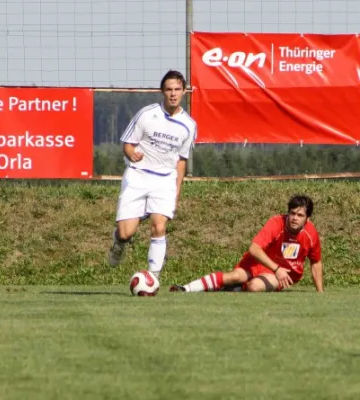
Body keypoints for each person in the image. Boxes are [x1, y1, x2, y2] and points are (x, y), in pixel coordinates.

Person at [107, 70, 196, 281]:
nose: (173, 94)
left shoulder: (189, 125)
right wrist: (131, 153)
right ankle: (118, 242)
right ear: (162, 92)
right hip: (138, 176)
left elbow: (181, 161)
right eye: (168, 90)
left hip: (164, 181)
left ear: (184, 91)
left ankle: (152, 278)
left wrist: (177, 191)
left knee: (159, 225)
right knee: (126, 232)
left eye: (177, 90)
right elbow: (127, 143)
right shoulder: (147, 114)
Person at [170, 195, 324, 293]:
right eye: (292, 213)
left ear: (307, 218)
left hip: (284, 274)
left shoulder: (311, 234)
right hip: (263, 263)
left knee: (254, 287)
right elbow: (254, 249)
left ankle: (236, 287)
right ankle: (186, 289)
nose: (294, 218)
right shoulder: (276, 223)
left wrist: (320, 293)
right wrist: (276, 268)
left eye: (300, 215)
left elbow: (316, 262)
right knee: (234, 276)